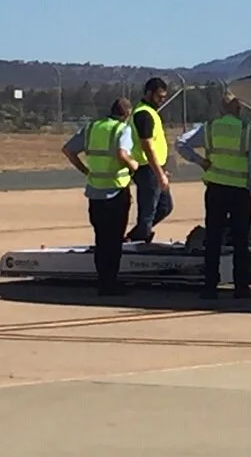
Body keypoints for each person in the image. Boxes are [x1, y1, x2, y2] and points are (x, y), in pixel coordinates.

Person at [61, 97, 141, 296]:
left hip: (95, 191)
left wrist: (86, 171)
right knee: (114, 240)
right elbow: (122, 154)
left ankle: (103, 280)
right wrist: (134, 166)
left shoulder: (92, 127)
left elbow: (68, 150)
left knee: (101, 239)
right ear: (127, 114)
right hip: (115, 191)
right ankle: (110, 283)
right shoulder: (122, 129)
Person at [184, 93, 251, 300]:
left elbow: (181, 144)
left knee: (213, 238)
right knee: (241, 240)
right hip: (240, 190)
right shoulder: (246, 130)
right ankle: (241, 286)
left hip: (216, 189)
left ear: (220, 109)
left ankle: (210, 286)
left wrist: (200, 161)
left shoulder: (209, 127)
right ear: (238, 108)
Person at [127, 77, 174, 242]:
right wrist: (159, 173)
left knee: (165, 206)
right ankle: (140, 240)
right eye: (159, 96)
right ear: (148, 93)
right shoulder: (143, 114)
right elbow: (147, 146)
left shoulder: (151, 112)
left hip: (154, 168)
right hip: (147, 169)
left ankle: (135, 236)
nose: (162, 100)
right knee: (148, 211)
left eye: (164, 97)